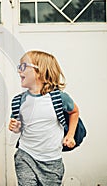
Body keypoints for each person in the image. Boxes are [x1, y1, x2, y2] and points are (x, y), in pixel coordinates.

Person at [8, 50, 80, 185]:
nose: (19, 71)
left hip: (52, 161)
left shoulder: (59, 98)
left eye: (23, 67)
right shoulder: (19, 101)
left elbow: (74, 112)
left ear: (40, 71)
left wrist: (70, 135)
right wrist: (16, 127)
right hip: (25, 156)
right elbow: (18, 126)